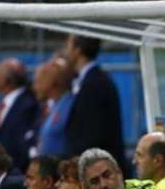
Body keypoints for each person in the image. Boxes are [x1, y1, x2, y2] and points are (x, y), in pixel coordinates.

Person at [63, 35, 126, 174]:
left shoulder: (94, 83)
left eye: (67, 46)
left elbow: (93, 134)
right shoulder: (90, 80)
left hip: (100, 172)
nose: (65, 52)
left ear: (77, 50)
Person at [0, 58, 40, 171]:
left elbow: (21, 145)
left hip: (14, 172)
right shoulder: (7, 104)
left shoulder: (27, 105)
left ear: (8, 80)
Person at [33, 59, 74, 157]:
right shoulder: (53, 107)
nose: (35, 87)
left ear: (53, 82)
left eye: (39, 81)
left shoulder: (69, 105)